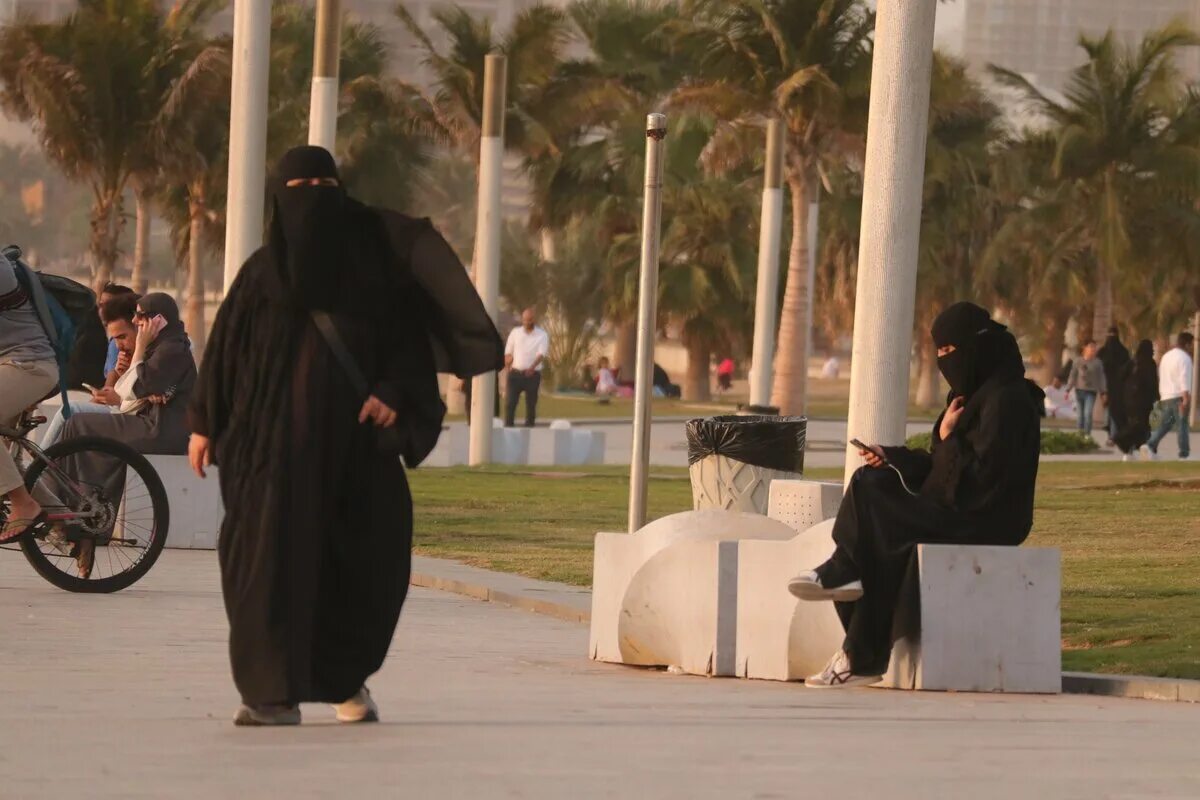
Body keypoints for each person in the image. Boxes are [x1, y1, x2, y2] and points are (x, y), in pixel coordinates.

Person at [189, 146, 501, 727]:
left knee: (358, 568)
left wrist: (393, 392)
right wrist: (204, 423)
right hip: (265, 459)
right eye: (298, 185)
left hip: (351, 453)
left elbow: (408, 347)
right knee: (261, 569)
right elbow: (225, 350)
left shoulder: (376, 270)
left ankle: (344, 681)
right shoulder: (260, 274)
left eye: (321, 183)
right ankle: (269, 696)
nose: (310, 197)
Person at [786, 302, 1043, 688]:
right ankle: (853, 615)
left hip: (987, 519)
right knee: (870, 482)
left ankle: (857, 645)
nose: (945, 362)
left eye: (950, 352)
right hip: (957, 506)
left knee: (879, 523)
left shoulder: (1008, 401)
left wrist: (947, 436)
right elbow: (944, 467)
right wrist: (892, 458)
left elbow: (981, 481)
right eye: (938, 353)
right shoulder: (968, 397)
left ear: (978, 347)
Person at [0, 250, 59, 543]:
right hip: (12, 368)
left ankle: (23, 504)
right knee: (10, 461)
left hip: (29, 367)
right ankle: (69, 527)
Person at [39, 293, 139, 448]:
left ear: (138, 325)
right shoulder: (129, 352)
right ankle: (47, 462)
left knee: (72, 409)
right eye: (115, 339)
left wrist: (118, 399)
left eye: (122, 337)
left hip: (133, 421)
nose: (118, 345)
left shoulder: (158, 353)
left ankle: (39, 463)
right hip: (122, 412)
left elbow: (146, 399)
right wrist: (122, 374)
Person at [1147, 331, 1194, 461]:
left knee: (1165, 425)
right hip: (1178, 396)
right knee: (1182, 425)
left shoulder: (1166, 356)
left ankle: (1150, 445)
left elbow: (1161, 375)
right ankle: (1184, 454)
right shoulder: (1185, 358)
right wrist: (1185, 398)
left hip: (1166, 395)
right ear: (1187, 344)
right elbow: (1184, 378)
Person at [1113, 340, 1159, 460]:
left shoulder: (1132, 362)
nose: (1153, 351)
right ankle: (1125, 441)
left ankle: (1129, 452)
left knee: (1136, 425)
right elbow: (1152, 383)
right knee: (1142, 427)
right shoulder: (1150, 363)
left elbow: (1120, 377)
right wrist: (1157, 398)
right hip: (1144, 401)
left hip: (1129, 400)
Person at [504, 307, 549, 427]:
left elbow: (541, 354)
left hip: (532, 375)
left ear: (534, 320)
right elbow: (508, 351)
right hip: (515, 373)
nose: (527, 322)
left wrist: (532, 368)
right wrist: (508, 363)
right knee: (510, 403)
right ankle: (508, 427)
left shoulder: (542, 335)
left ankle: (529, 428)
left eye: (529, 320)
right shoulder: (515, 333)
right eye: (524, 320)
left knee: (531, 404)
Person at [1098, 326, 1131, 444]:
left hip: (1113, 386)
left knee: (1112, 410)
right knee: (1112, 410)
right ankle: (1112, 435)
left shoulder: (1103, 352)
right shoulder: (1123, 352)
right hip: (1114, 386)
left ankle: (1112, 436)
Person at [1066, 340, 1106, 435]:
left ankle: (1087, 436)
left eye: (1094, 347)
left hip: (1091, 392)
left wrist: (1103, 392)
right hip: (1079, 390)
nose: (1093, 349)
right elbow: (1073, 375)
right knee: (1080, 416)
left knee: (1088, 414)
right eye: (1091, 347)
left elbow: (1101, 378)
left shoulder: (1098, 363)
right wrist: (1068, 389)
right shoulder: (1078, 361)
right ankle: (1080, 436)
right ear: (1085, 348)